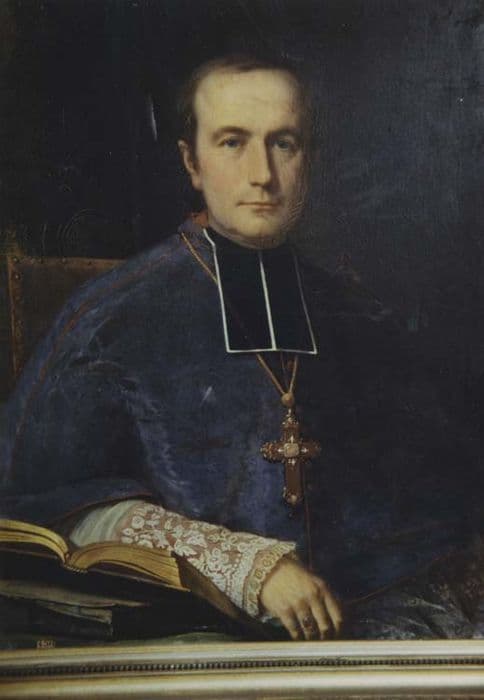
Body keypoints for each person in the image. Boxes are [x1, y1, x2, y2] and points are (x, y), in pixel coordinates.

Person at [1, 54, 483, 641]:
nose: (262, 174)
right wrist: (243, 567)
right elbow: (41, 506)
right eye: (232, 142)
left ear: (309, 159)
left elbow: (437, 516)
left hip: (371, 625)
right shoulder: (109, 317)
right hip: (193, 634)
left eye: (283, 143)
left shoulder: (361, 315)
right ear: (191, 162)